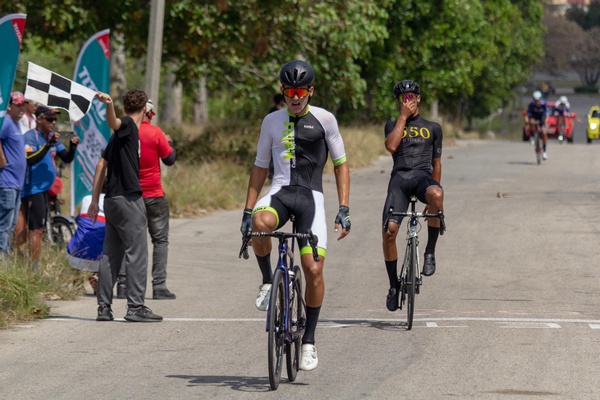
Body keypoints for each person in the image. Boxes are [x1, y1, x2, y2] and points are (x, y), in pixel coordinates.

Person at [240, 60, 351, 371]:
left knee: (312, 269)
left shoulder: (326, 120)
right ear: (282, 91)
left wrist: (344, 207)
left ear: (310, 91)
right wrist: (248, 210)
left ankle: (310, 341)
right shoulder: (271, 121)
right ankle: (266, 280)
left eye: (301, 90)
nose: (295, 96)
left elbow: (341, 163)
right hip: (280, 193)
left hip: (311, 198)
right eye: (290, 91)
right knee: (260, 227)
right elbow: (260, 166)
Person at [88, 89, 162, 323]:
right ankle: (136, 307)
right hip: (128, 199)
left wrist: (93, 200)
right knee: (137, 253)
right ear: (146, 109)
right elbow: (115, 122)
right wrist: (108, 105)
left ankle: (104, 308)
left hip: (111, 200)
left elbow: (101, 165)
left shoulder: (117, 139)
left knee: (110, 254)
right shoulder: (129, 126)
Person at [382, 79, 444, 313]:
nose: (407, 101)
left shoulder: (433, 128)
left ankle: (429, 252)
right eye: (403, 98)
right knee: (389, 231)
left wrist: (432, 199)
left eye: (411, 97)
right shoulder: (392, 124)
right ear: (399, 102)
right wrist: (402, 118)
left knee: (437, 194)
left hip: (422, 178)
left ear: (418, 98)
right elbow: (391, 147)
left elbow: (436, 163)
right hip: (399, 180)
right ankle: (393, 286)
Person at [116, 99, 177, 300]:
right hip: (154, 195)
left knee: (130, 241)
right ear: (149, 113)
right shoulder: (155, 132)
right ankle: (159, 287)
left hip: (131, 195)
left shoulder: (122, 131)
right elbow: (169, 159)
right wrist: (169, 142)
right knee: (160, 240)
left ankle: (123, 285)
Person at [13, 106, 79, 269]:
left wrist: (72, 146)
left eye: (55, 120)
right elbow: (31, 159)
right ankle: (33, 267)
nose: (53, 122)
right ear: (39, 119)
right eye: (50, 119)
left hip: (44, 190)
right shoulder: (31, 136)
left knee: (35, 229)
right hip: (32, 188)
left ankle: (22, 259)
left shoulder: (51, 137)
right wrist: (49, 144)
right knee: (35, 230)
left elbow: (67, 158)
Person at [0, 92, 27, 256]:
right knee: (4, 223)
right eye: (18, 104)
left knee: (11, 224)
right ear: (9, 106)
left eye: (23, 104)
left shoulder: (17, 124)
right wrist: (2, 159)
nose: (22, 108)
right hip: (6, 182)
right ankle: (2, 258)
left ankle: (5, 254)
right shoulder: (7, 122)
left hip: (16, 183)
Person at [66, 192, 106, 294]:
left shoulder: (87, 199)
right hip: (100, 257)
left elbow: (78, 220)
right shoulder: (112, 201)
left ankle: (77, 283)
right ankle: (95, 277)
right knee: (101, 244)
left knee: (77, 246)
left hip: (76, 253)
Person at [525, 90, 549, 160]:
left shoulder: (544, 105)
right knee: (531, 121)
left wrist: (545, 122)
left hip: (542, 117)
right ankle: (532, 136)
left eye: (538, 100)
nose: (537, 102)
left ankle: (544, 152)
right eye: (535, 100)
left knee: (544, 133)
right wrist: (527, 121)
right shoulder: (531, 105)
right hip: (534, 116)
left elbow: (547, 115)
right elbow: (527, 115)